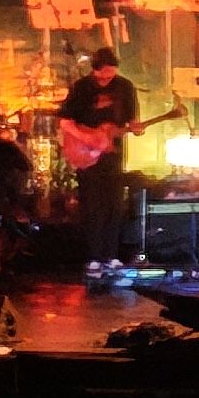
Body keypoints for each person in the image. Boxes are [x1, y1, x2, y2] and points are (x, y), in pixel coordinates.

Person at [55, 45, 142, 258]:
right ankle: (93, 257)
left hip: (113, 155)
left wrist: (136, 128)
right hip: (86, 155)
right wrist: (87, 138)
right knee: (93, 206)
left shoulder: (125, 87)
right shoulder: (81, 88)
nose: (106, 79)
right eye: (102, 75)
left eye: (110, 74)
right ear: (94, 70)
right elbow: (64, 121)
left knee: (114, 205)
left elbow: (132, 120)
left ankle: (111, 256)